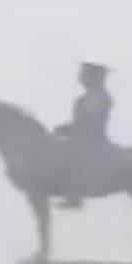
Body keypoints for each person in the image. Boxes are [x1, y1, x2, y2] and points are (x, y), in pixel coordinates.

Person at [53, 63, 115, 208]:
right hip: (82, 136)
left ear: (93, 78)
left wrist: (67, 130)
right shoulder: (90, 96)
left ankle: (74, 197)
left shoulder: (98, 96)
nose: (80, 78)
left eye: (84, 75)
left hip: (92, 139)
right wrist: (65, 129)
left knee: (72, 156)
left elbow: (89, 121)